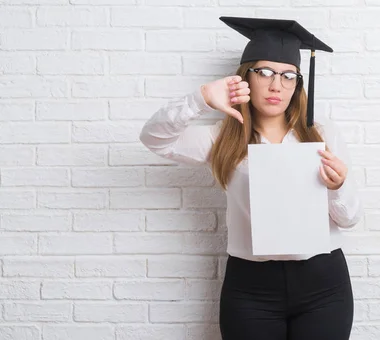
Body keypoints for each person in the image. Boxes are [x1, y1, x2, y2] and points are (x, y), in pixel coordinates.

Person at [139, 16, 363, 340]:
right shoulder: (222, 139)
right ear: (246, 77)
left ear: (298, 83)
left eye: (288, 76)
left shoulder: (322, 135)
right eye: (265, 72)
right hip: (251, 289)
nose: (276, 86)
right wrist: (201, 98)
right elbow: (154, 139)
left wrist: (338, 187)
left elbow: (350, 218)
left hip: (323, 285)